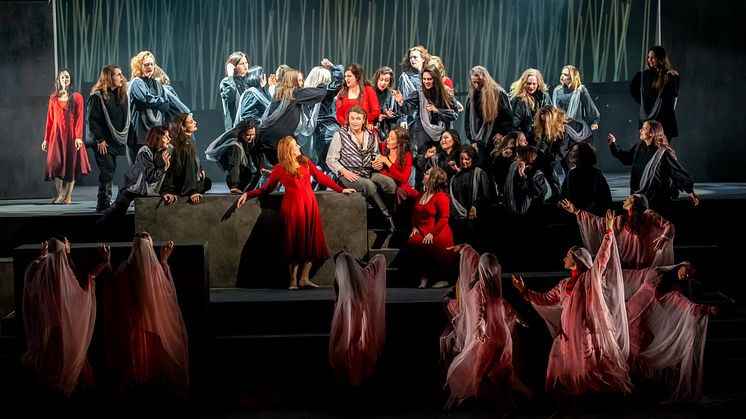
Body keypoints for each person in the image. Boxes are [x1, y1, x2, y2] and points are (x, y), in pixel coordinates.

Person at [511, 210, 632, 418]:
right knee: (558, 369)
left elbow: (602, 259)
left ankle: (576, 411)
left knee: (579, 374)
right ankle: (561, 407)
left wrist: (608, 232)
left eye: (567, 255)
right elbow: (545, 299)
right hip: (565, 334)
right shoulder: (563, 284)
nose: (563, 258)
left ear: (575, 259)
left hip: (582, 335)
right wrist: (525, 292)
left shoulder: (588, 280)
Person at [231, 136, 355, 289]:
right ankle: (293, 280)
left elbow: (321, 177)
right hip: (293, 209)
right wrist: (248, 194)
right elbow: (267, 189)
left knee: (311, 243)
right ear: (287, 149)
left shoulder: (305, 162)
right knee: (294, 245)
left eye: (296, 144)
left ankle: (304, 278)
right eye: (294, 145)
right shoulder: (280, 168)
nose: (298, 146)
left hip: (309, 207)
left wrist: (341, 189)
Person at [443, 245, 532, 413]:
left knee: (490, 373)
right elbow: (490, 308)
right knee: (498, 371)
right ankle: (505, 403)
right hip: (499, 336)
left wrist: (481, 326)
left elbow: (487, 308)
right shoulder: (489, 289)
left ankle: (505, 404)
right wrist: (512, 317)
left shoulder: (484, 289)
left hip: (491, 338)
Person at [103, 232, 189, 399]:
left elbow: (112, 290)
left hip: (133, 329)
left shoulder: (125, 269)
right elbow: (168, 293)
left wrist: (107, 262)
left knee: (136, 369)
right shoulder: (154, 270)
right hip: (153, 330)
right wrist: (164, 261)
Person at [22, 236, 107, 396]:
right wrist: (92, 278)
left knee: (53, 368)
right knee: (71, 366)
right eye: (67, 243)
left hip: (52, 330)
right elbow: (78, 297)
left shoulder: (42, 271)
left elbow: (30, 282)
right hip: (65, 330)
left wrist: (42, 257)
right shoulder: (65, 273)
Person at [623, 262, 718, 403]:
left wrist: (707, 309)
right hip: (627, 314)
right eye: (689, 269)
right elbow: (630, 276)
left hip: (640, 326)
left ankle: (637, 395)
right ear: (684, 264)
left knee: (637, 355)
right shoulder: (654, 274)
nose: (687, 274)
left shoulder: (674, 292)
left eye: (690, 276)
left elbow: (688, 307)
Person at [327, 106, 397, 232]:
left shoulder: (371, 135)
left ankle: (377, 216)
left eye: (358, 119)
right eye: (352, 118)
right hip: (348, 173)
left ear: (364, 120)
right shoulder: (340, 135)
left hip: (367, 171)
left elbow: (376, 155)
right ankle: (386, 217)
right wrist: (344, 171)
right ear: (348, 119)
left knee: (389, 184)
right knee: (369, 185)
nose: (354, 121)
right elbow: (330, 159)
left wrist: (379, 163)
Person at [561, 193, 674, 269]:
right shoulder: (622, 220)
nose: (625, 200)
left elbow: (668, 225)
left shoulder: (648, 215)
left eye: (629, 198)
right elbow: (599, 223)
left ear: (636, 202)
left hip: (642, 261)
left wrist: (664, 237)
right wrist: (576, 211)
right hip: (624, 260)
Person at [608, 120, 699, 214]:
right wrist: (613, 144)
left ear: (651, 133)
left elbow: (676, 171)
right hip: (639, 195)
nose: (640, 130)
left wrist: (690, 191)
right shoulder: (639, 147)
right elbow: (627, 158)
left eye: (643, 129)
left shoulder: (663, 152)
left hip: (656, 198)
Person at [329, 251, 387, 387]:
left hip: (347, 316)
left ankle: (350, 383)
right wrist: (363, 264)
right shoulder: (366, 277)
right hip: (360, 321)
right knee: (357, 347)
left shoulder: (345, 282)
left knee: (348, 348)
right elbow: (380, 259)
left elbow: (337, 298)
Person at [96, 126, 171, 229]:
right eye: (166, 137)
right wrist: (164, 168)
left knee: (119, 208)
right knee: (117, 208)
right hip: (134, 186)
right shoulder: (145, 151)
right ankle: (99, 230)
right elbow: (150, 177)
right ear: (157, 138)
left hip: (149, 189)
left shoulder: (163, 151)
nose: (169, 139)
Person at [42, 69, 91, 205]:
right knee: (55, 164)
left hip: (71, 136)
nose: (65, 79)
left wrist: (78, 137)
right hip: (56, 135)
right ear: (59, 79)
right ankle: (59, 194)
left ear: (70, 80)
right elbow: (50, 120)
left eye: (67, 77)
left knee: (71, 164)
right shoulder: (53, 97)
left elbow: (80, 117)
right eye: (62, 77)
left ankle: (68, 196)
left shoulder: (77, 97)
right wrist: (46, 138)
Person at [259, 68, 326, 165]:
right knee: (300, 167)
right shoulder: (295, 93)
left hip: (266, 138)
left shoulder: (278, 91)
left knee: (282, 170)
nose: (302, 83)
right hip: (281, 141)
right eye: (299, 80)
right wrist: (321, 85)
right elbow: (321, 93)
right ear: (292, 81)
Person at [87, 64, 130, 213]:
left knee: (117, 170)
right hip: (102, 142)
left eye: (121, 74)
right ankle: (103, 204)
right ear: (108, 78)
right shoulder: (97, 96)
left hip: (116, 141)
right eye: (118, 74)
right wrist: (100, 139)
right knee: (107, 170)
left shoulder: (121, 95)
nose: (121, 77)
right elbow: (92, 120)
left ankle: (115, 201)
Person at [394, 65, 459, 161]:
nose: (426, 82)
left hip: (442, 130)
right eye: (424, 79)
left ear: (435, 79)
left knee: (442, 159)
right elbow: (407, 109)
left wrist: (437, 110)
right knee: (424, 158)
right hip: (423, 131)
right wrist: (400, 102)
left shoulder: (446, 95)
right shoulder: (419, 93)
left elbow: (454, 114)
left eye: (429, 79)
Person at [408, 167, 456, 289]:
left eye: (427, 174)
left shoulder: (441, 196)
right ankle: (424, 276)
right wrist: (414, 227)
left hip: (437, 230)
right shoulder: (421, 195)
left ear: (433, 179)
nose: (424, 174)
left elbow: (444, 218)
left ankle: (443, 278)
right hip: (422, 229)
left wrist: (432, 233)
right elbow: (414, 214)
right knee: (413, 242)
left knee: (434, 244)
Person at [534, 105, 593, 199]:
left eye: (546, 122)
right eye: (542, 121)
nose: (544, 124)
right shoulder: (549, 125)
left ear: (552, 120)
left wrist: (544, 158)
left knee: (567, 162)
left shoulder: (564, 128)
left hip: (581, 142)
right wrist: (538, 154)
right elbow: (543, 143)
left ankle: (575, 194)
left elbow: (559, 153)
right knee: (546, 164)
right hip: (564, 141)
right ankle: (557, 193)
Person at [127, 51, 173, 163]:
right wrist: (160, 102)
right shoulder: (136, 83)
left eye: (152, 64)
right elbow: (146, 99)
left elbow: (166, 105)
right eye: (146, 64)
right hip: (139, 134)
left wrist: (159, 103)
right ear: (139, 66)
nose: (150, 67)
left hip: (155, 134)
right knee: (139, 169)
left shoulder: (157, 84)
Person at [465, 66, 514, 165]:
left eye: (479, 82)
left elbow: (507, 117)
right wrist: (472, 140)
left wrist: (502, 132)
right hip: (477, 140)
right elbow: (468, 121)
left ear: (485, 79)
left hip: (494, 139)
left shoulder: (498, 94)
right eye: (473, 82)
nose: (476, 85)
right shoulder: (472, 96)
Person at [305, 59, 344, 179]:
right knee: (333, 165)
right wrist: (333, 67)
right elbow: (339, 80)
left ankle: (314, 187)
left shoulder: (308, 92)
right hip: (330, 131)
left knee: (321, 163)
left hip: (318, 133)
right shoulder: (324, 90)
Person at [160, 113, 212, 204]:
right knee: (205, 183)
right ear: (183, 127)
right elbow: (186, 166)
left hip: (184, 181)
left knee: (207, 182)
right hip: (181, 184)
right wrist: (192, 191)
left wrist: (200, 168)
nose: (195, 122)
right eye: (191, 122)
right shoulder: (183, 146)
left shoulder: (188, 141)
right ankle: (190, 189)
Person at [630, 46, 679, 140]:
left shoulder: (669, 75)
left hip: (664, 120)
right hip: (649, 119)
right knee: (650, 150)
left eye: (653, 57)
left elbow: (673, 93)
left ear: (660, 58)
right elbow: (633, 89)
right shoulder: (644, 75)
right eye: (649, 57)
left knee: (662, 151)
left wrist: (673, 78)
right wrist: (644, 103)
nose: (650, 60)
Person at [448, 146, 493, 248]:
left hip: (476, 222)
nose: (464, 161)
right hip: (459, 222)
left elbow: (486, 195)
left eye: (467, 159)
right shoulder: (455, 178)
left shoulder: (479, 173)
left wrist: (475, 205)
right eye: (462, 159)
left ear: (472, 158)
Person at [205, 119, 266, 193]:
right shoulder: (235, 144)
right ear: (241, 133)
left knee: (255, 174)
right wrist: (234, 185)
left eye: (252, 135)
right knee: (243, 172)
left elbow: (256, 151)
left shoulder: (253, 137)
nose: (250, 137)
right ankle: (235, 186)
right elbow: (234, 165)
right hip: (233, 167)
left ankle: (246, 193)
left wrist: (260, 166)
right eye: (247, 135)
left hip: (243, 167)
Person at [559, 141, 612, 217]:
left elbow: (606, 201)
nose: (570, 153)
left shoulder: (596, 175)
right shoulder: (571, 174)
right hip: (573, 218)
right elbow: (563, 197)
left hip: (592, 219)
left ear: (583, 154)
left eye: (574, 151)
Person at [552, 65, 600, 132]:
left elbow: (589, 106)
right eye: (562, 74)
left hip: (575, 126)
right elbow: (554, 108)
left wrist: (594, 122)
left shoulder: (580, 90)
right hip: (559, 126)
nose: (562, 76)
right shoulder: (557, 90)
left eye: (565, 75)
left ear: (572, 77)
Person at [502, 146, 547, 218]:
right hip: (511, 211)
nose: (516, 159)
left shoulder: (537, 174)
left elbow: (535, 193)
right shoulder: (514, 167)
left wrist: (522, 175)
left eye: (518, 157)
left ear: (525, 159)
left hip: (529, 214)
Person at [378, 127, 417, 206]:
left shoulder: (407, 155)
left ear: (399, 143)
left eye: (392, 139)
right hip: (385, 186)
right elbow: (372, 141)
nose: (388, 140)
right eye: (388, 136)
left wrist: (388, 163)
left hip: (401, 189)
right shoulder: (383, 147)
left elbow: (404, 179)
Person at [509, 68, 551, 144]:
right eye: (528, 83)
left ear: (538, 84)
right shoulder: (519, 100)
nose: (531, 87)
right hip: (525, 139)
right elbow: (514, 122)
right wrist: (519, 135)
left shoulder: (542, 97)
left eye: (534, 84)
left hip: (538, 137)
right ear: (524, 83)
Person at [335, 63, 380, 128]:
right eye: (345, 76)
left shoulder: (368, 90)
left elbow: (376, 111)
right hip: (348, 129)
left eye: (349, 76)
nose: (346, 79)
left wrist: (363, 121)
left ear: (357, 77)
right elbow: (339, 115)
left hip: (366, 127)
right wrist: (349, 124)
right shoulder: (342, 93)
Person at [397, 45, 431, 127]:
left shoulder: (430, 74)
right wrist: (403, 119)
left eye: (415, 57)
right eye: (411, 57)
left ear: (423, 59)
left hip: (429, 116)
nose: (412, 60)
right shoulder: (405, 77)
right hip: (412, 118)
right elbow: (401, 98)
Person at [219, 51, 250, 131]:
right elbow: (230, 97)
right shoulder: (226, 81)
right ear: (234, 66)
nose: (245, 65)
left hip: (250, 125)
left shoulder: (249, 81)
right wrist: (230, 75)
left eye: (246, 62)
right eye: (241, 63)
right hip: (235, 126)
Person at [371, 66, 400, 143]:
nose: (383, 83)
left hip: (386, 133)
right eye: (381, 79)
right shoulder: (370, 93)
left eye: (386, 80)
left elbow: (397, 117)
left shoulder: (392, 95)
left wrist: (390, 116)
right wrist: (377, 118)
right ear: (377, 79)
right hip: (371, 130)